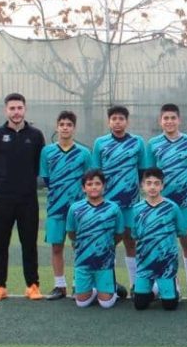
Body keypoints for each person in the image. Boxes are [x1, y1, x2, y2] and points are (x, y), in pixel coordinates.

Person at [0, 93, 46, 302]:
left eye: (19, 108)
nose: (16, 112)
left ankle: (32, 285)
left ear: (24, 109)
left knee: (29, 244)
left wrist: (26, 180)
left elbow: (39, 163)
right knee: (0, 244)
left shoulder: (35, 135)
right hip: (2, 199)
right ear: (6, 111)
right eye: (12, 108)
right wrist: (1, 178)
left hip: (28, 199)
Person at [146, 103, 187, 301]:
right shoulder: (153, 144)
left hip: (185, 203)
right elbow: (150, 174)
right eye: (166, 118)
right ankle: (169, 280)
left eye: (173, 118)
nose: (169, 121)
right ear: (160, 121)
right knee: (163, 243)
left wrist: (185, 189)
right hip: (160, 205)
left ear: (179, 120)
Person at [92, 105, 147, 295]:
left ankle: (136, 285)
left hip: (131, 204)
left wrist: (131, 190)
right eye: (114, 119)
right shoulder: (100, 143)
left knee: (131, 242)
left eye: (121, 119)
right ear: (109, 122)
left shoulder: (137, 142)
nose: (117, 122)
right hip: (107, 205)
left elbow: (142, 171)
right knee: (108, 244)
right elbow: (96, 174)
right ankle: (109, 285)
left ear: (127, 121)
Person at [39, 110, 92, 300]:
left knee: (79, 246)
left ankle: (79, 284)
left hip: (78, 209)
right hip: (55, 207)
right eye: (62, 124)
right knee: (56, 247)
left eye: (69, 125)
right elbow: (46, 178)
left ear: (74, 128)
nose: (65, 128)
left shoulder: (84, 153)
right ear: (57, 127)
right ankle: (59, 286)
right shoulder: (47, 151)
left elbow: (89, 180)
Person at [130, 168, 187, 311]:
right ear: (142, 185)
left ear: (162, 186)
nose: (152, 187)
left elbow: (181, 231)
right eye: (148, 183)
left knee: (170, 306)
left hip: (166, 264)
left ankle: (174, 285)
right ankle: (155, 288)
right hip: (145, 263)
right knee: (140, 305)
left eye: (156, 183)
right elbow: (135, 234)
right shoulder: (136, 209)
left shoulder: (172, 207)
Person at [65, 169, 124, 309]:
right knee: (82, 303)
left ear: (104, 186)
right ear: (83, 188)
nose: (94, 187)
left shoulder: (113, 208)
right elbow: (71, 233)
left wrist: (107, 245)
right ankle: (95, 289)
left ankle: (114, 288)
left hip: (104, 262)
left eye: (97, 184)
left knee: (106, 304)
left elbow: (119, 234)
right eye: (90, 184)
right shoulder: (75, 208)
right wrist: (82, 245)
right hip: (83, 261)